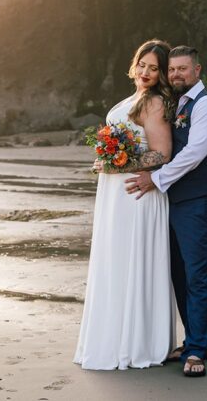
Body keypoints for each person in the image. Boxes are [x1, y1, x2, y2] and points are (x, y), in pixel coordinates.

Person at [73, 39, 177, 370]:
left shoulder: (156, 103)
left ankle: (139, 341)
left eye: (154, 68)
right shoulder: (129, 100)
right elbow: (122, 145)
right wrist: (104, 157)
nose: (146, 72)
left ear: (161, 74)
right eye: (142, 65)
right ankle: (114, 334)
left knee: (133, 260)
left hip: (137, 195)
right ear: (134, 65)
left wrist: (117, 163)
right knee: (114, 260)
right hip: (115, 195)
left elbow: (162, 153)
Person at [126, 45, 207, 378]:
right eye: (171, 70)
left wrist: (156, 178)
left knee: (196, 275)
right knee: (178, 274)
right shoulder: (178, 104)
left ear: (197, 70)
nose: (176, 75)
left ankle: (197, 349)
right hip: (175, 201)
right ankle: (195, 340)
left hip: (200, 201)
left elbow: (194, 153)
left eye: (183, 69)